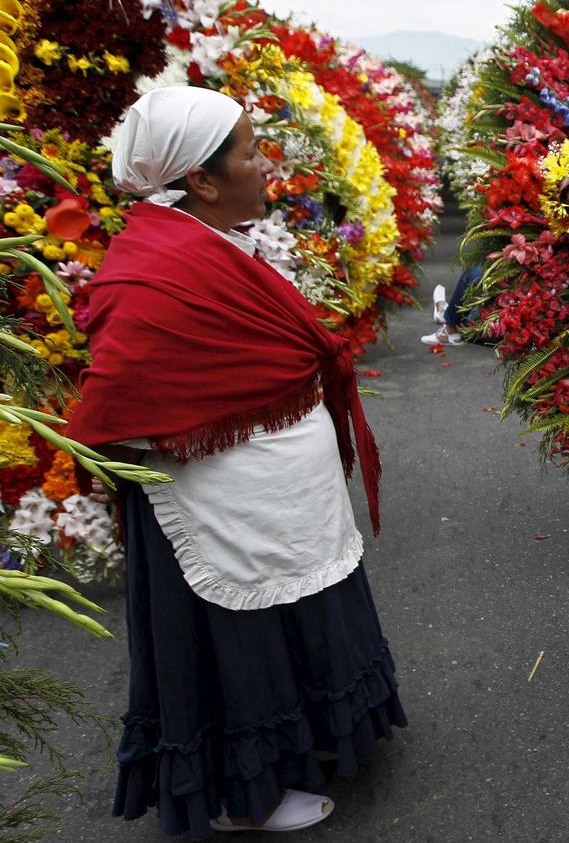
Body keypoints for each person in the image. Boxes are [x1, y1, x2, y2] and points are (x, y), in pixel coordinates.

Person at [67, 86, 407, 838]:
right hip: (217, 500)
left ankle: (302, 740)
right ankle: (237, 790)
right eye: (251, 152)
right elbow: (118, 400)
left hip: (268, 489)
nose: (267, 166)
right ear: (204, 181)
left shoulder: (204, 239)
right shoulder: (154, 266)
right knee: (233, 631)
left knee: (288, 612)